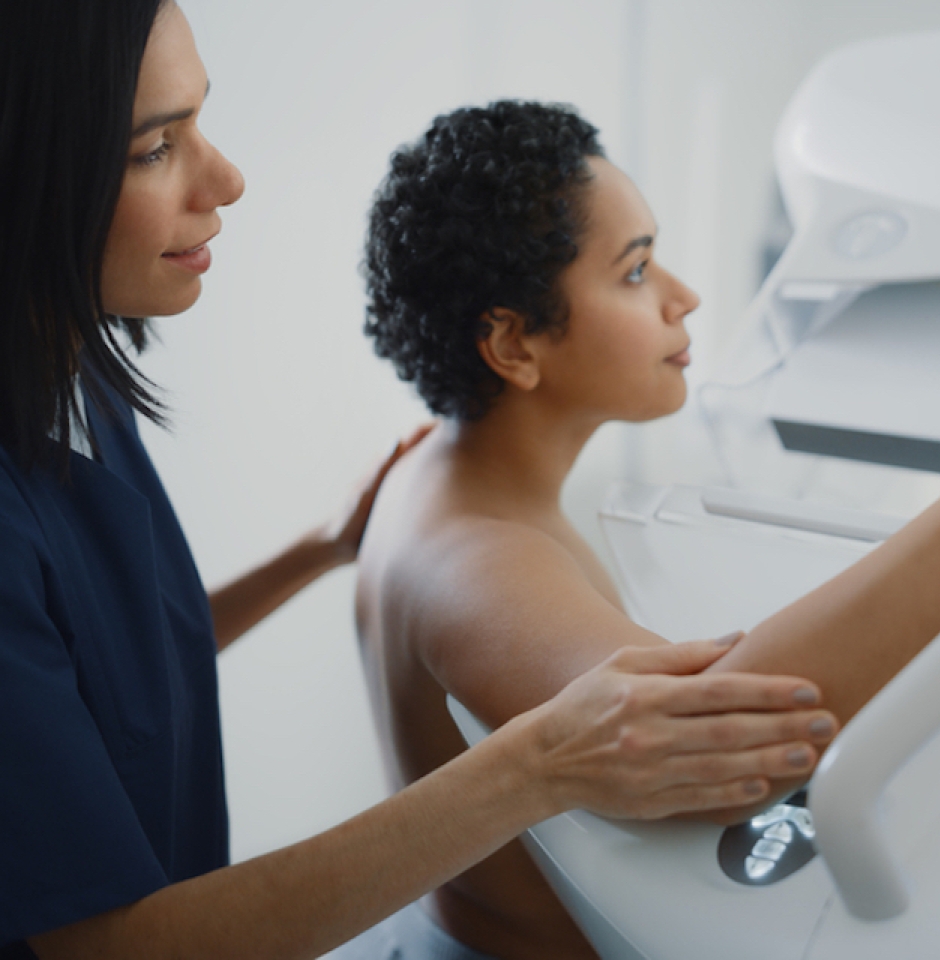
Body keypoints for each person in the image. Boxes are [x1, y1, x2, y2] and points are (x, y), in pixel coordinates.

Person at [352, 100, 940, 959]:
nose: (682, 295)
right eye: (636, 271)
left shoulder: (438, 469)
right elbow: (712, 740)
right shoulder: (477, 561)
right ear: (515, 345)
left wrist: (321, 543)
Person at [0, 5, 841, 959]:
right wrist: (534, 763)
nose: (227, 178)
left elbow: (106, 655)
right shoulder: (473, 553)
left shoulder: (76, 381)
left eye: (200, 122)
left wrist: (318, 549)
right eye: (156, 147)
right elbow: (112, 947)